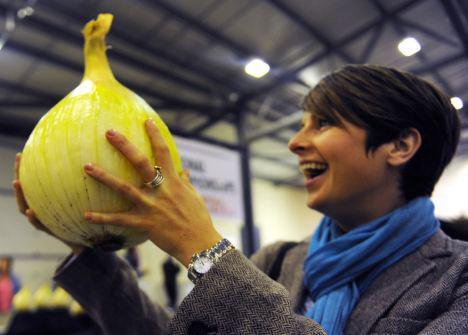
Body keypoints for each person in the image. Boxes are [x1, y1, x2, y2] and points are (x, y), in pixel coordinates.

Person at [12, 65, 468, 334]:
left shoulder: (456, 281)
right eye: (301, 123)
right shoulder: (278, 262)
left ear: (400, 146)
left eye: (323, 124)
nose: (294, 143)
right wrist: (84, 247)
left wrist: (205, 251)